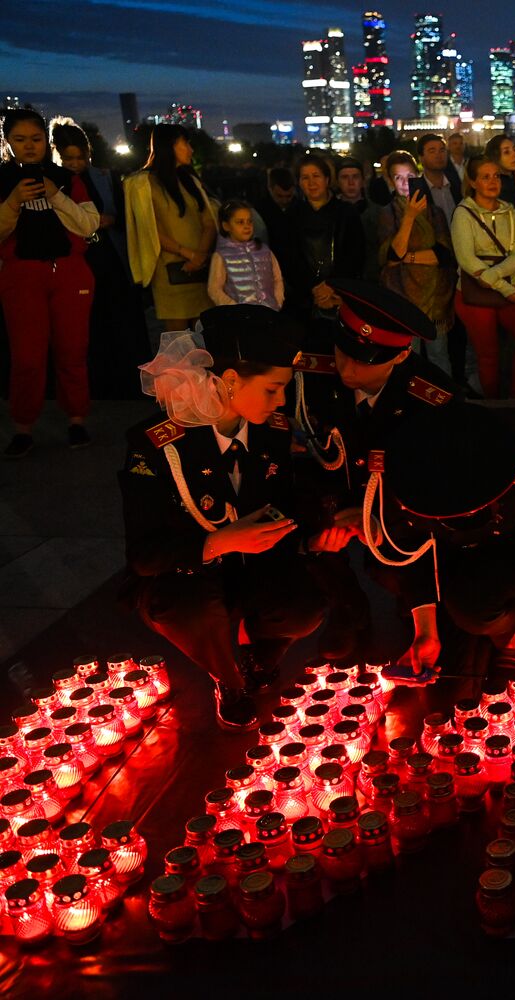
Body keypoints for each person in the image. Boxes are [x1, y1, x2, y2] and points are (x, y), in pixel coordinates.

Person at [119, 306, 327, 729]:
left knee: (306, 604)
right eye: (272, 390)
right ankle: (227, 678)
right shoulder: (160, 444)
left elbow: (286, 500)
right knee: (193, 608)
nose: (281, 401)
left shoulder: (273, 429)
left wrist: (315, 529)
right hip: (186, 575)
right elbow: (144, 555)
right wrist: (220, 542)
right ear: (230, 380)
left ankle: (259, 657)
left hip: (255, 567)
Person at [359, 401, 515, 724]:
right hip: (438, 557)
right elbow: (409, 546)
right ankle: (442, 618)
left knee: (473, 607)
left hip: (503, 553)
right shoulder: (403, 473)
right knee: (446, 701)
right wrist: (425, 627)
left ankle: (505, 629)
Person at [291, 279, 461, 664]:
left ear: (400, 357)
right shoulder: (314, 369)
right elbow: (300, 457)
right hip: (328, 491)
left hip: (394, 504)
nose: (345, 368)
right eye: (342, 352)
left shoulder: (430, 399)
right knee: (308, 527)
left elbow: (430, 492)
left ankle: (415, 603)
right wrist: (326, 520)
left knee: (398, 552)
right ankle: (346, 607)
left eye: (363, 361)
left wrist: (374, 517)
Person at [0, 108, 98, 459]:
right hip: (21, 274)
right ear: (7, 142)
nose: (29, 146)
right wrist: (12, 201)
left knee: (73, 350)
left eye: (36, 139)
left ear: (47, 141)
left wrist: (56, 196)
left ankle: (76, 419)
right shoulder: (2, 179)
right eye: (20, 140)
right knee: (27, 356)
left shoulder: (66, 178)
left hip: (70, 272)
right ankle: (23, 426)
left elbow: (89, 225)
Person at [50, 118, 146, 400]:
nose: (75, 164)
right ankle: (97, 383)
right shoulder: (55, 182)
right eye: (69, 158)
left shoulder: (104, 177)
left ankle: (126, 381)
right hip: (79, 260)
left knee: (121, 320)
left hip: (110, 258)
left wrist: (110, 220)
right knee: (90, 325)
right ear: (59, 154)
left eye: (81, 157)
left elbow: (123, 216)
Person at [452, 155, 515, 398]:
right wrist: (504, 287)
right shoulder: (463, 213)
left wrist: (498, 281)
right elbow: (467, 260)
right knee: (488, 352)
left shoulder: (510, 212)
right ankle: (493, 405)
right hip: (475, 292)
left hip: (506, 288)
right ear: (473, 182)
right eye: (485, 177)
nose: (493, 182)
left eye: (496, 176)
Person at [124, 123, 215, 331]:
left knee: (204, 335)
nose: (190, 150)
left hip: (201, 271)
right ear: (169, 146)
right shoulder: (142, 183)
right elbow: (150, 231)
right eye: (185, 143)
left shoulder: (190, 180)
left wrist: (199, 255)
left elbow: (209, 222)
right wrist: (190, 255)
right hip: (170, 271)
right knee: (178, 341)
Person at [376, 150, 457, 372]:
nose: (404, 184)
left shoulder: (434, 212)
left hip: (435, 298)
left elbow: (442, 255)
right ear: (390, 181)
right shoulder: (387, 213)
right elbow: (391, 257)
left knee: (440, 357)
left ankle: (442, 403)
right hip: (402, 297)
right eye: (398, 178)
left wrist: (407, 258)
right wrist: (409, 217)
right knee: (407, 359)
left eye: (409, 177)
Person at [277, 153, 366, 349]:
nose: (311, 182)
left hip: (341, 297)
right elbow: (289, 258)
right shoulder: (290, 216)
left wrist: (333, 285)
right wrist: (314, 289)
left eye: (316, 176)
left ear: (327, 179)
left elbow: (355, 253)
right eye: (305, 177)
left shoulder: (346, 213)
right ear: (299, 182)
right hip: (304, 301)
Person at [207, 200, 283, 310]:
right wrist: (234, 308)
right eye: (240, 222)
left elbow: (277, 279)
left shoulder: (264, 250)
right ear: (226, 226)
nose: (247, 226)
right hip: (239, 318)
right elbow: (214, 289)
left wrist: (277, 302)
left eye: (249, 221)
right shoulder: (222, 255)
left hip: (269, 312)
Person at [414, 133, 457, 226]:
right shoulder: (417, 192)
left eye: (442, 150)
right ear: (421, 158)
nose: (438, 155)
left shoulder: (457, 185)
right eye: (432, 151)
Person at [252, 167, 296, 248]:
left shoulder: (299, 207)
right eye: (279, 196)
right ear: (270, 189)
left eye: (289, 196)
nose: (284, 201)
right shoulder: (260, 210)